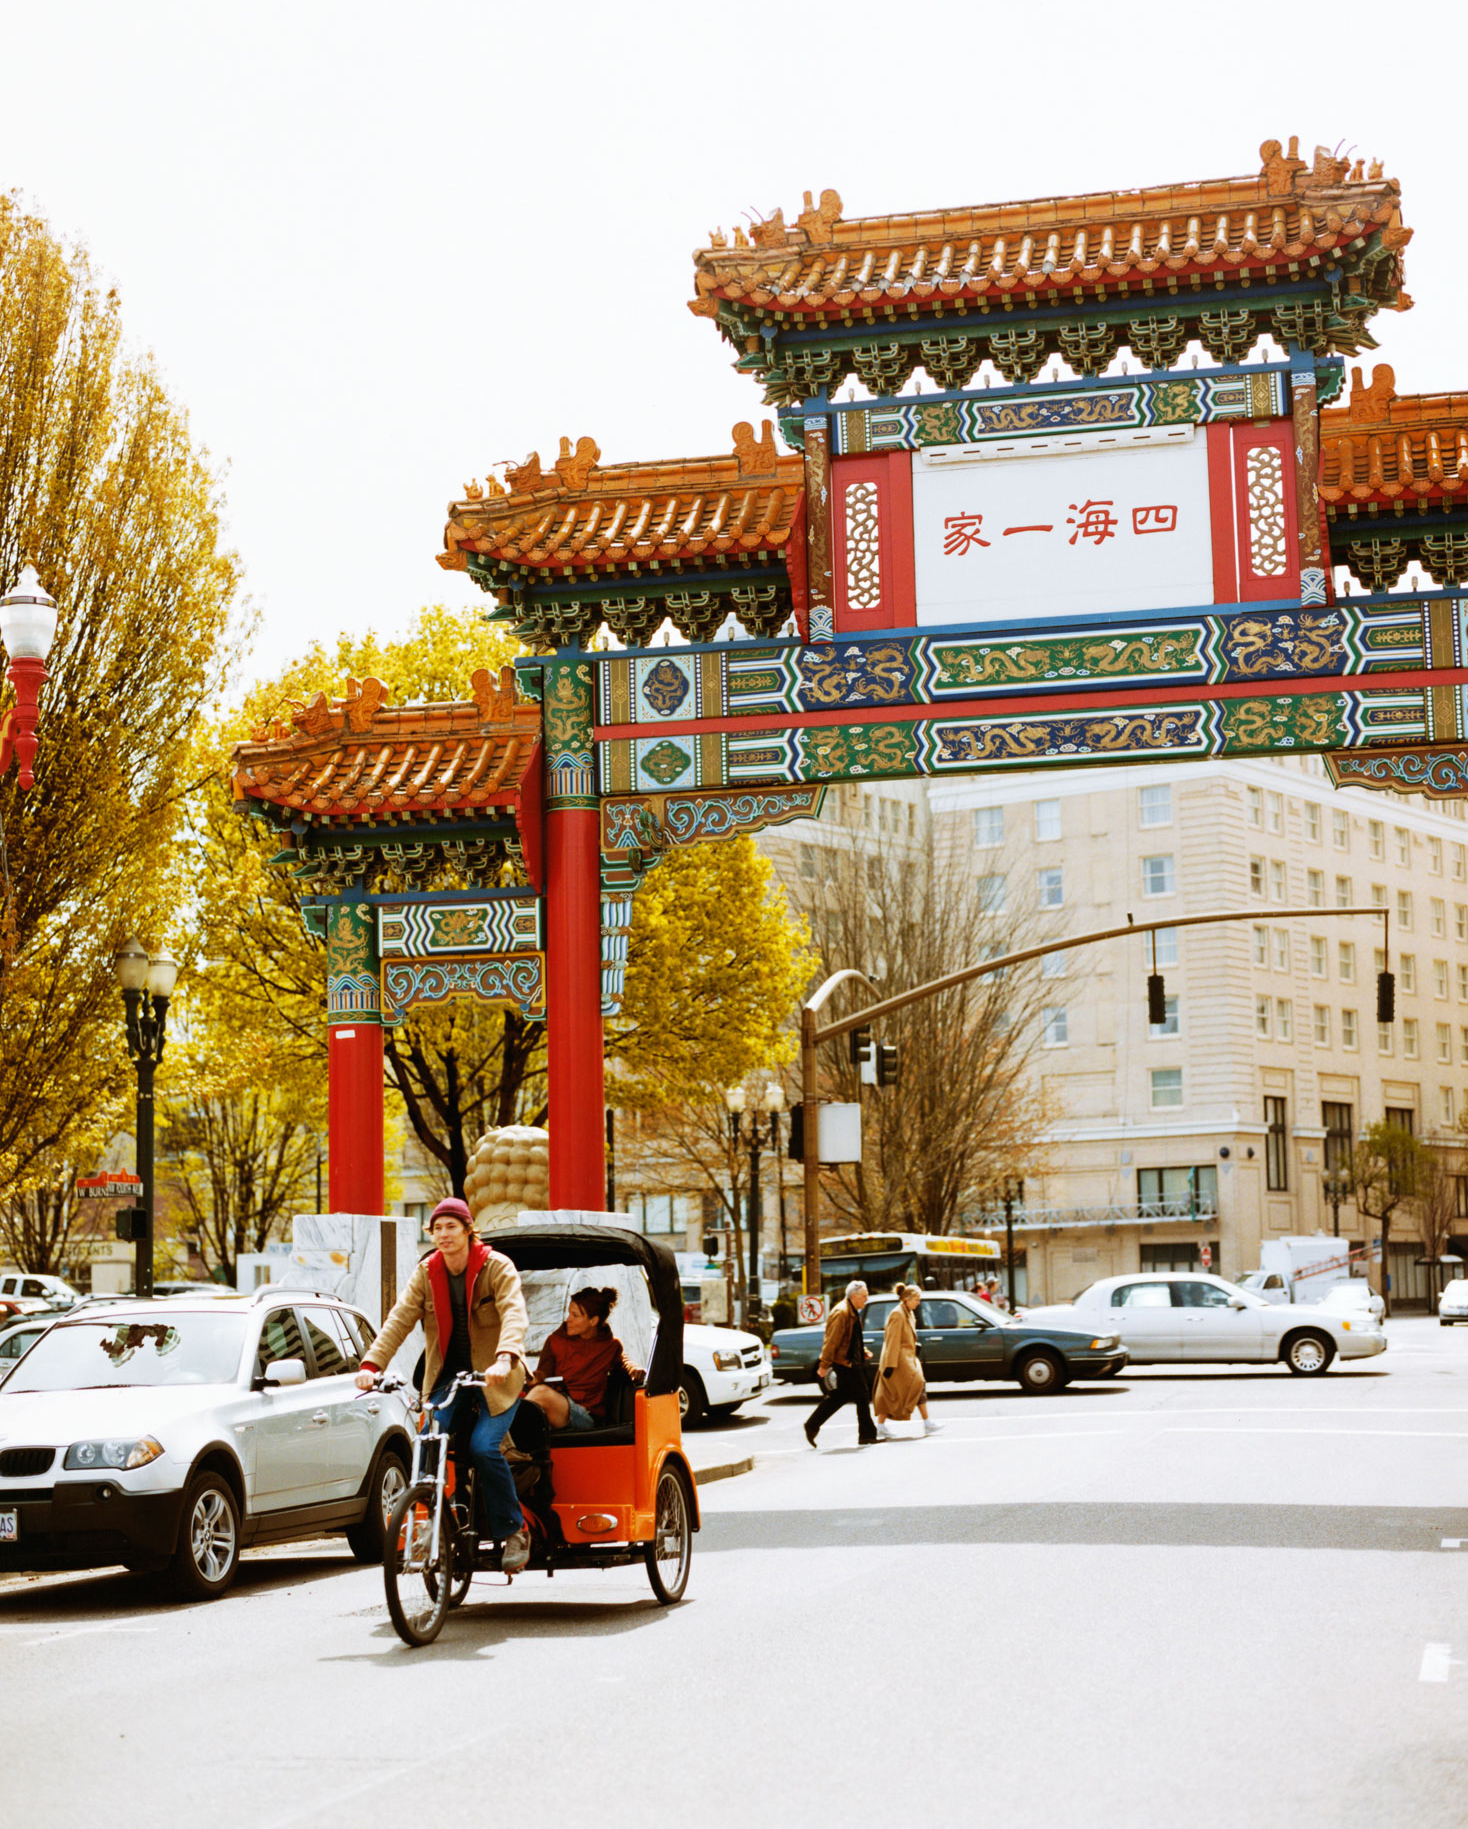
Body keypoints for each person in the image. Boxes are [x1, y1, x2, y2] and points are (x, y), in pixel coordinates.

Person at [356, 1198, 532, 1574]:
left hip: (495, 1376)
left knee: (484, 1447)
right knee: (427, 1446)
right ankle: (433, 1526)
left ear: (468, 1230)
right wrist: (372, 1364)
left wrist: (505, 1356)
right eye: (436, 1228)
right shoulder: (427, 1272)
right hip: (447, 1377)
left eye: (451, 1226)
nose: (443, 1235)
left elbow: (514, 1312)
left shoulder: (496, 1266)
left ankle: (515, 1529)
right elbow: (399, 1319)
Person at [524, 1286, 639, 1431]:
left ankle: (508, 1436)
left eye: (575, 1315)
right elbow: (543, 1373)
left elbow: (624, 1363)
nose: (568, 1320)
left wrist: (635, 1369)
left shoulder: (610, 1346)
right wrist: (536, 1377)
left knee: (541, 1394)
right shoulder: (554, 1341)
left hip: (586, 1416)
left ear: (593, 1321)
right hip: (558, 1406)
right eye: (569, 1314)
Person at [805, 1280, 877, 1448]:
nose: (866, 1300)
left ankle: (812, 1424)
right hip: (844, 1363)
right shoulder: (841, 1312)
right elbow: (832, 1341)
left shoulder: (852, 1311)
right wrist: (824, 1365)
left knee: (841, 1396)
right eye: (864, 1297)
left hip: (850, 1361)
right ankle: (867, 1435)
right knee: (862, 1396)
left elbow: (851, 1338)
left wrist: (863, 1351)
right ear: (854, 1296)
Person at [873, 1283, 942, 1439]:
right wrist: (890, 1364)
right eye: (916, 1299)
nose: (918, 1303)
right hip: (899, 1360)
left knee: (891, 1392)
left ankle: (881, 1426)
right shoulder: (898, 1314)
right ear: (908, 1299)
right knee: (916, 1385)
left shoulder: (908, 1312)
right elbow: (892, 1340)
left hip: (907, 1358)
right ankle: (927, 1423)